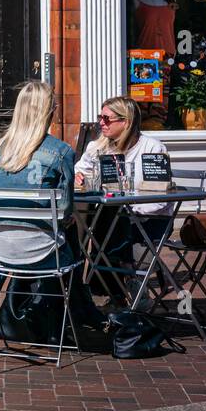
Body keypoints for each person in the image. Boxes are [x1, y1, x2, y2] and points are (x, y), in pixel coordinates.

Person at [0, 81, 100, 328]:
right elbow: (66, 210)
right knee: (70, 240)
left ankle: (33, 313)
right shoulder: (60, 151)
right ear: (49, 111)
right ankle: (69, 318)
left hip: (1, 250)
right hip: (44, 251)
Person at [74, 95, 172, 301]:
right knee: (79, 221)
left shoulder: (152, 148)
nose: (101, 122)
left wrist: (127, 209)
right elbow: (78, 173)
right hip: (107, 218)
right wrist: (78, 176)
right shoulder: (97, 147)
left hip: (148, 220)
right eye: (100, 117)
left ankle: (117, 284)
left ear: (126, 121)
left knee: (109, 221)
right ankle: (79, 286)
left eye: (107, 118)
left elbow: (160, 200)